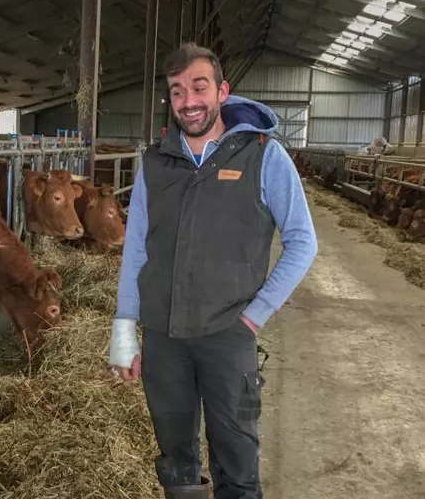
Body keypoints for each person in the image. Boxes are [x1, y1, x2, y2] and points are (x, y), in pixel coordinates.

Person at [108, 42, 318, 499]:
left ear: (222, 90)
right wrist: (124, 324)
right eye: (178, 91)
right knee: (175, 454)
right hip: (164, 336)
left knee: (236, 454)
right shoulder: (154, 164)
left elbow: (303, 243)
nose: (189, 101)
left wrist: (254, 315)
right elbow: (138, 249)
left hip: (228, 332)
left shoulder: (264, 155)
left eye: (199, 87)